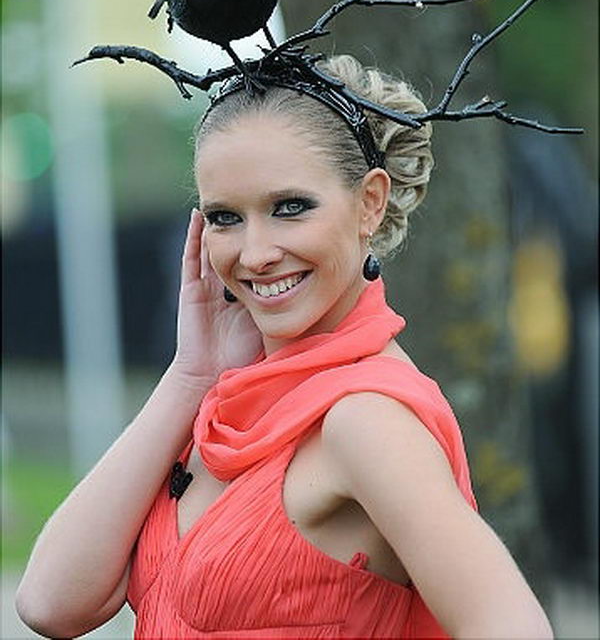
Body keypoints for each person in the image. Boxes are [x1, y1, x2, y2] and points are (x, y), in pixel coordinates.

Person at [16, 54, 553, 639]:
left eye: (289, 208)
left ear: (370, 202)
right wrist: (190, 377)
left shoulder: (366, 420)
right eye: (225, 217)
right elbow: (50, 603)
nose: (255, 253)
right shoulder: (219, 409)